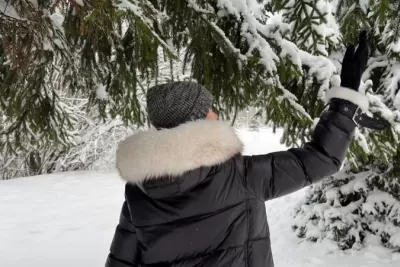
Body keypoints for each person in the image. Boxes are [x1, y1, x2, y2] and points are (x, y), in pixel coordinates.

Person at [105, 32, 383, 267]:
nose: (215, 113)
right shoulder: (239, 176)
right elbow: (321, 159)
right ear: (197, 120)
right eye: (209, 109)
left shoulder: (139, 194)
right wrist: (346, 100)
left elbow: (121, 261)